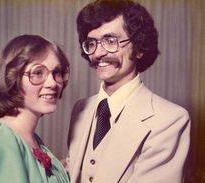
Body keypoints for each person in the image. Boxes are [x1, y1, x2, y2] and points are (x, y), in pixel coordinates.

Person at [66, 0, 191, 183]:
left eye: (110, 41)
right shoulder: (81, 109)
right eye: (92, 43)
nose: (98, 53)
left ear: (139, 48)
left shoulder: (170, 120)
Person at [0, 35, 70, 183]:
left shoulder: (37, 143)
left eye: (56, 73)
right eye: (38, 73)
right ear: (12, 79)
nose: (52, 83)